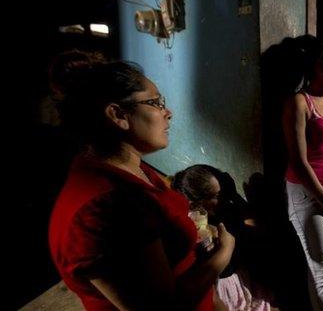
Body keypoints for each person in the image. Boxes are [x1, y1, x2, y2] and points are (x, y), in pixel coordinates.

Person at [48, 57, 235, 310]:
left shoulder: (133, 169)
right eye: (155, 103)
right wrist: (220, 259)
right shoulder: (103, 209)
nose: (167, 112)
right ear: (118, 115)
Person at [282, 37, 323, 311]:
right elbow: (299, 162)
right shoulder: (299, 103)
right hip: (308, 194)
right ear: (321, 66)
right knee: (320, 267)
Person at [172, 165, 272, 311]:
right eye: (217, 196)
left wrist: (233, 194)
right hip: (223, 289)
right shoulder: (196, 227)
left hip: (243, 279)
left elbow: (256, 229)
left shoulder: (225, 210)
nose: (223, 198)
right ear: (198, 203)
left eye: (223, 192)